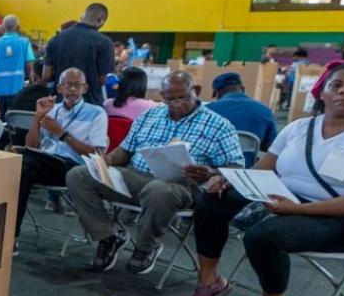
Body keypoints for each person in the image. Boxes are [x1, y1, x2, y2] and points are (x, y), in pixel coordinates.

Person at [185, 61, 344, 296]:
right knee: (213, 199)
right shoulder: (299, 127)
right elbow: (263, 169)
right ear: (322, 92)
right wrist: (228, 178)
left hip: (339, 217)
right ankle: (210, 280)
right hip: (284, 199)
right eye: (336, 85)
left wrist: (298, 209)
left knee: (264, 236)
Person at [65, 70, 244, 275]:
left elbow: (235, 166)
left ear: (195, 91)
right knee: (78, 175)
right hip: (137, 175)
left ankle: (145, 248)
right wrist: (108, 160)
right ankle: (108, 237)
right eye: (170, 99)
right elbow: (125, 150)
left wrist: (211, 172)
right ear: (162, 96)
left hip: (182, 184)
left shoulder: (219, 125)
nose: (176, 103)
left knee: (159, 190)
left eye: (183, 97)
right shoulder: (150, 115)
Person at [13, 68, 108, 242]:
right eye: (68, 85)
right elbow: (31, 145)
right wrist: (37, 117)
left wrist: (62, 133)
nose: (73, 89)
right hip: (41, 164)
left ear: (85, 88)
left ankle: (6, 235)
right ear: (59, 88)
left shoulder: (96, 113)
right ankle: (10, 237)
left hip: (73, 167)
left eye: (77, 85)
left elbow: (97, 154)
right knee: (21, 170)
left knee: (19, 163)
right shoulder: (51, 109)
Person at [43, 3, 114, 106]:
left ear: (82, 16)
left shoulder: (55, 40)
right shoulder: (104, 42)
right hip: (90, 104)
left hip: (61, 102)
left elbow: (46, 76)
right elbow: (102, 80)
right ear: (101, 20)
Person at [206, 71, 276, 166]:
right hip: (246, 167)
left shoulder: (208, 109)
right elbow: (271, 147)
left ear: (218, 93)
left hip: (211, 170)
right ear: (243, 88)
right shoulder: (264, 110)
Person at [0, 14, 33, 112]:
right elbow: (30, 67)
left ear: (3, 27)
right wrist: (31, 85)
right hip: (17, 90)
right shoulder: (25, 43)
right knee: (14, 120)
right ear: (18, 27)